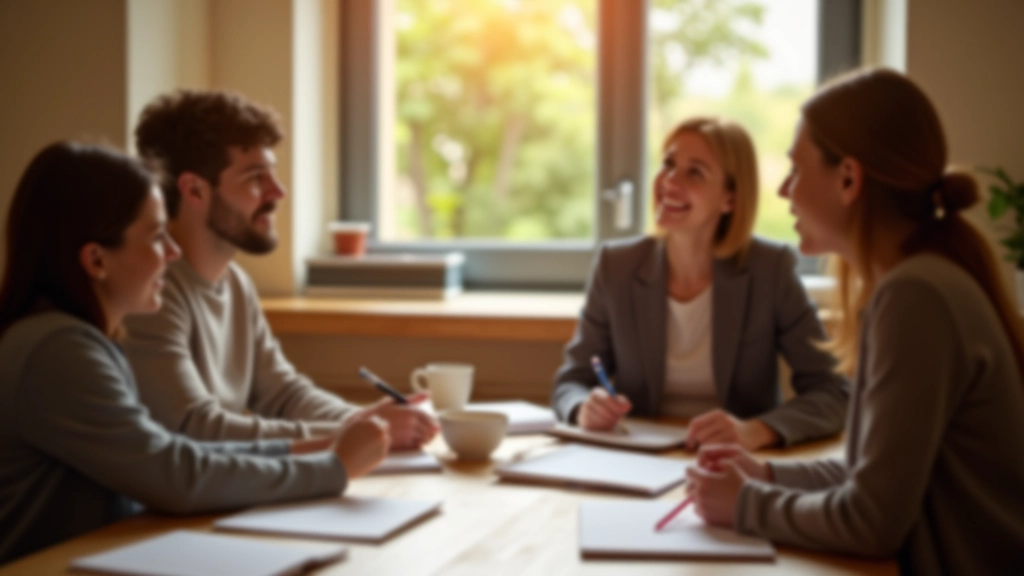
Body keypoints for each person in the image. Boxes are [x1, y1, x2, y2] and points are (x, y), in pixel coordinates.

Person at [684, 68, 1024, 573]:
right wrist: (767, 476)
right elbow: (876, 475)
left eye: (796, 170)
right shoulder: (922, 281)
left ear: (848, 178)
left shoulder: (916, 297)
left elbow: (871, 520)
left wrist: (745, 504)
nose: (783, 189)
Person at [0, 142, 391, 564]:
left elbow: (172, 452)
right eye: (155, 237)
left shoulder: (79, 338)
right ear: (96, 259)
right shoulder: (57, 350)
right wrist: (333, 468)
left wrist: (320, 447)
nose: (173, 252)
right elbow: (175, 474)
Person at [123, 90, 437, 447]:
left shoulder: (236, 284)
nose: (278, 192)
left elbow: (284, 395)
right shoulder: (151, 292)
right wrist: (354, 433)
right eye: (256, 177)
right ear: (195, 190)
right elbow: (194, 428)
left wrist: (362, 421)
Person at [552, 116, 849, 449]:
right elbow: (572, 382)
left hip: (730, 463)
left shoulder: (770, 268)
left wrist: (755, 431)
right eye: (668, 164)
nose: (669, 181)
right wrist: (583, 408)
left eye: (695, 172)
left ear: (730, 200)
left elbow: (833, 392)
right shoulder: (616, 265)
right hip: (637, 459)